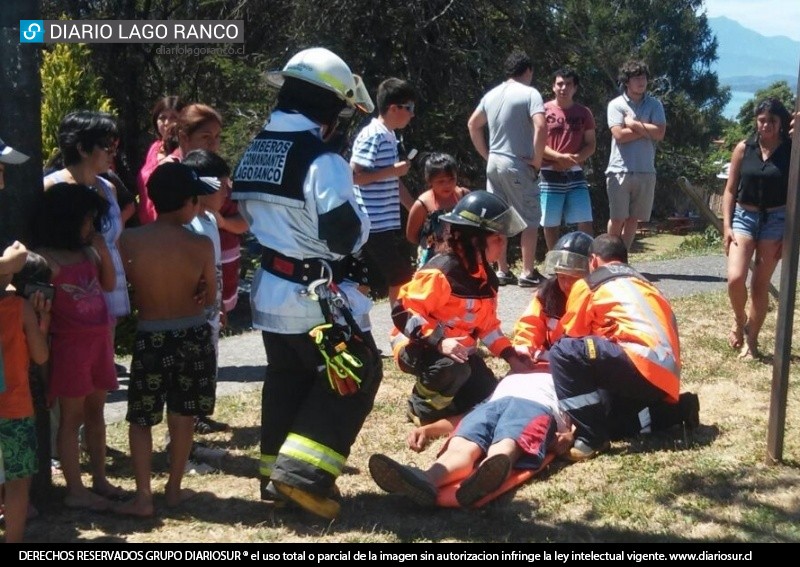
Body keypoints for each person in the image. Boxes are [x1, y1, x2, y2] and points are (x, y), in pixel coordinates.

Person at [231, 47, 382, 520]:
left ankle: (275, 478)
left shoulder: (256, 149)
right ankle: (303, 479)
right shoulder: (322, 161)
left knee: (288, 378)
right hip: (313, 296)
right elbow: (344, 235)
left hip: (272, 290)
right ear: (330, 109)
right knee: (355, 373)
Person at [116, 162, 218, 517]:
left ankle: (143, 496)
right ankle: (173, 490)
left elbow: (126, 283)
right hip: (191, 333)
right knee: (183, 414)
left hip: (151, 335)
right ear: (189, 202)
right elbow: (208, 298)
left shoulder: (129, 240)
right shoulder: (201, 244)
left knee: (141, 417)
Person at [391, 190, 533, 427]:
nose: (503, 244)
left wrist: (511, 356)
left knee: (486, 393)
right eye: (497, 238)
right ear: (475, 240)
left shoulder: (486, 277)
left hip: (458, 353)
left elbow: (487, 327)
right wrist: (439, 341)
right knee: (454, 370)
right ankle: (420, 407)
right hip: (418, 346)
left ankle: (449, 400)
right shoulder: (441, 272)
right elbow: (403, 312)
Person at [548, 234, 681, 461]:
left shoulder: (591, 283)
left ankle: (592, 437)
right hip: (666, 378)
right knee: (606, 413)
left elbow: (571, 336)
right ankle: (675, 412)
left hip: (637, 362)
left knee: (562, 352)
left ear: (593, 261)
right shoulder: (645, 284)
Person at [30, 183, 121, 511]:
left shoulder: (88, 251)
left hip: (98, 343)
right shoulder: (44, 259)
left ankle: (99, 479)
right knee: (72, 417)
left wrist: (103, 250)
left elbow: (109, 284)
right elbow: (39, 305)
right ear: (66, 220)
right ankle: (75, 489)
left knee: (97, 411)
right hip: (69, 347)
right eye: (87, 220)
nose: (91, 227)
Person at [368, 369, 573, 508]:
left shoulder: (566, 376)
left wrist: (571, 435)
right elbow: (462, 418)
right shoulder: (509, 379)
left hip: (536, 406)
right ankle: (426, 479)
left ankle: (486, 474)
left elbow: (585, 415)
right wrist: (428, 430)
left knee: (509, 439)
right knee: (462, 443)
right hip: (493, 403)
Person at [43, 111, 131, 363]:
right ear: (82, 148)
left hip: (108, 292)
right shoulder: (52, 188)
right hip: (73, 301)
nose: (113, 152)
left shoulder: (109, 187)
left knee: (102, 377)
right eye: (106, 145)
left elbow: (116, 240)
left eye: (116, 145)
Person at [467, 49, 546, 287]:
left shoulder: (491, 95)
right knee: (530, 217)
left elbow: (473, 124)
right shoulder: (530, 93)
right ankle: (527, 272)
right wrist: (537, 160)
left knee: (498, 217)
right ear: (528, 70)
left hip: (495, 162)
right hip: (518, 163)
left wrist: (486, 154)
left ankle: (502, 270)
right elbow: (541, 126)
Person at [722, 98, 792, 360]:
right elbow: (729, 189)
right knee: (735, 278)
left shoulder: (791, 150)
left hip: (776, 220)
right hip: (744, 216)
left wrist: (790, 236)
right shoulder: (744, 148)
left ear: (781, 122)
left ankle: (752, 343)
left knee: (759, 285)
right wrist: (726, 225)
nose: (766, 126)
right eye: (762, 120)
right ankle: (739, 321)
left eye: (772, 121)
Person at [351, 77, 417, 307]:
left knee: (363, 279)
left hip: (381, 223)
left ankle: (354, 328)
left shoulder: (388, 135)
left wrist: (416, 208)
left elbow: (392, 181)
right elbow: (353, 177)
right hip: (371, 222)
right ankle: (403, 328)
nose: (412, 114)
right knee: (399, 275)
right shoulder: (375, 135)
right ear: (393, 108)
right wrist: (391, 170)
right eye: (409, 108)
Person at [180, 149, 231, 436]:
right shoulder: (188, 225)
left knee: (210, 359)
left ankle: (201, 411)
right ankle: (190, 419)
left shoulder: (210, 220)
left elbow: (217, 268)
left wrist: (220, 304)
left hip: (211, 309)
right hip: (192, 312)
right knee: (192, 366)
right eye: (222, 183)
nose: (227, 190)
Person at [0, 252, 50, 542]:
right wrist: (42, 322)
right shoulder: (19, 308)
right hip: (15, 409)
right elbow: (41, 355)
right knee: (18, 482)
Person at [605, 60, 666, 250]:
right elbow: (619, 136)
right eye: (636, 78)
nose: (641, 81)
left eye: (644, 77)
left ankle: (622, 258)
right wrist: (648, 128)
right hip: (619, 170)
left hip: (646, 170)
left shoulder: (655, 105)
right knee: (617, 218)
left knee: (633, 219)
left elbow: (660, 133)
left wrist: (633, 124)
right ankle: (607, 256)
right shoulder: (616, 105)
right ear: (627, 81)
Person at [540, 68, 596, 250]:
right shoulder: (542, 110)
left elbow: (590, 144)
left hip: (575, 173)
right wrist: (559, 157)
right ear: (553, 86)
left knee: (585, 219)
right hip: (549, 173)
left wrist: (574, 159)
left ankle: (587, 258)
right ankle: (554, 261)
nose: (563, 88)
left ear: (575, 88)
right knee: (550, 222)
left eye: (568, 84)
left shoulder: (584, 112)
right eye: (559, 84)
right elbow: (536, 142)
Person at [405, 153, 469, 269]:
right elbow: (411, 235)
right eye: (441, 181)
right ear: (430, 181)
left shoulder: (464, 196)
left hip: (462, 255)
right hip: (433, 260)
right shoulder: (422, 205)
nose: (447, 185)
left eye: (451, 179)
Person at [136, 95, 186, 225]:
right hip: (147, 226)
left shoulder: (185, 150)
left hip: (173, 228)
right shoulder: (155, 147)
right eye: (162, 118)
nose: (167, 123)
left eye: (174, 117)